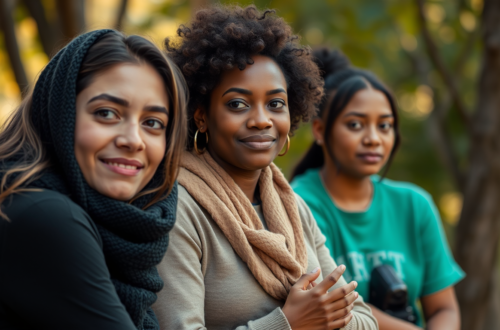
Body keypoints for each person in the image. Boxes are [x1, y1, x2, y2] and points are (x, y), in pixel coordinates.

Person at [152, 6, 378, 330]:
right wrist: (288, 323)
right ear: (201, 115)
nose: (261, 120)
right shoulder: (177, 210)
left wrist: (324, 315)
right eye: (237, 104)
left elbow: (366, 320)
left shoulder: (293, 207)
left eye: (275, 104)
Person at [0, 29, 187, 330]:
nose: (133, 140)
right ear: (61, 113)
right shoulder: (45, 215)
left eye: (153, 123)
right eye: (107, 113)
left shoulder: (117, 234)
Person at [291, 48, 465, 330]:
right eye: (356, 124)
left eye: (385, 125)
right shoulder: (299, 203)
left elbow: (444, 308)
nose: (373, 139)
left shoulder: (415, 205)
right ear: (321, 131)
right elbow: (334, 305)